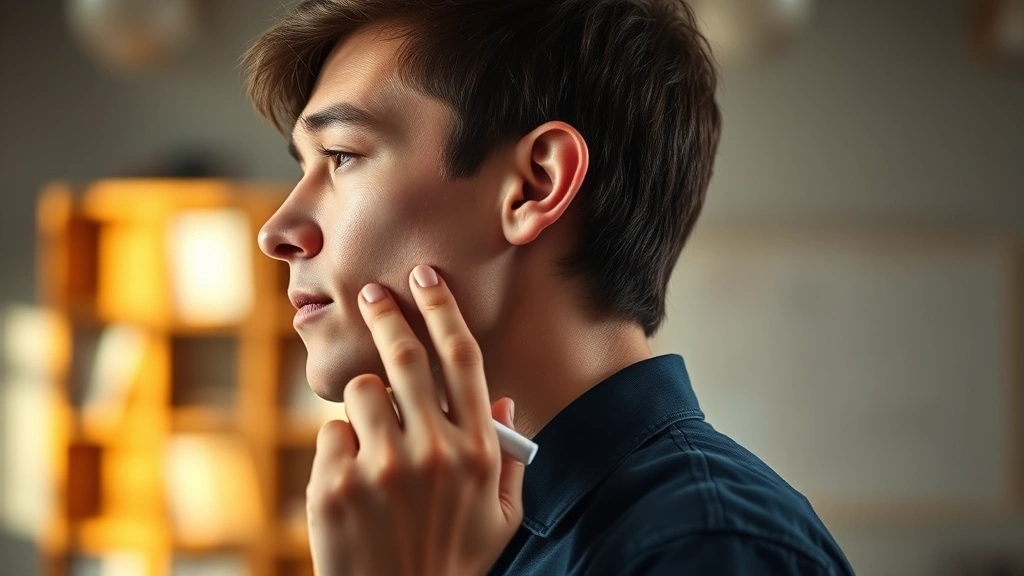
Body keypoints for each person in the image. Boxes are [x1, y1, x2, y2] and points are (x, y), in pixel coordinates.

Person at [249, 0, 855, 574]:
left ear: (535, 185)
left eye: (341, 156)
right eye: (302, 167)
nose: (276, 232)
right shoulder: (451, 527)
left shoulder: (703, 546)